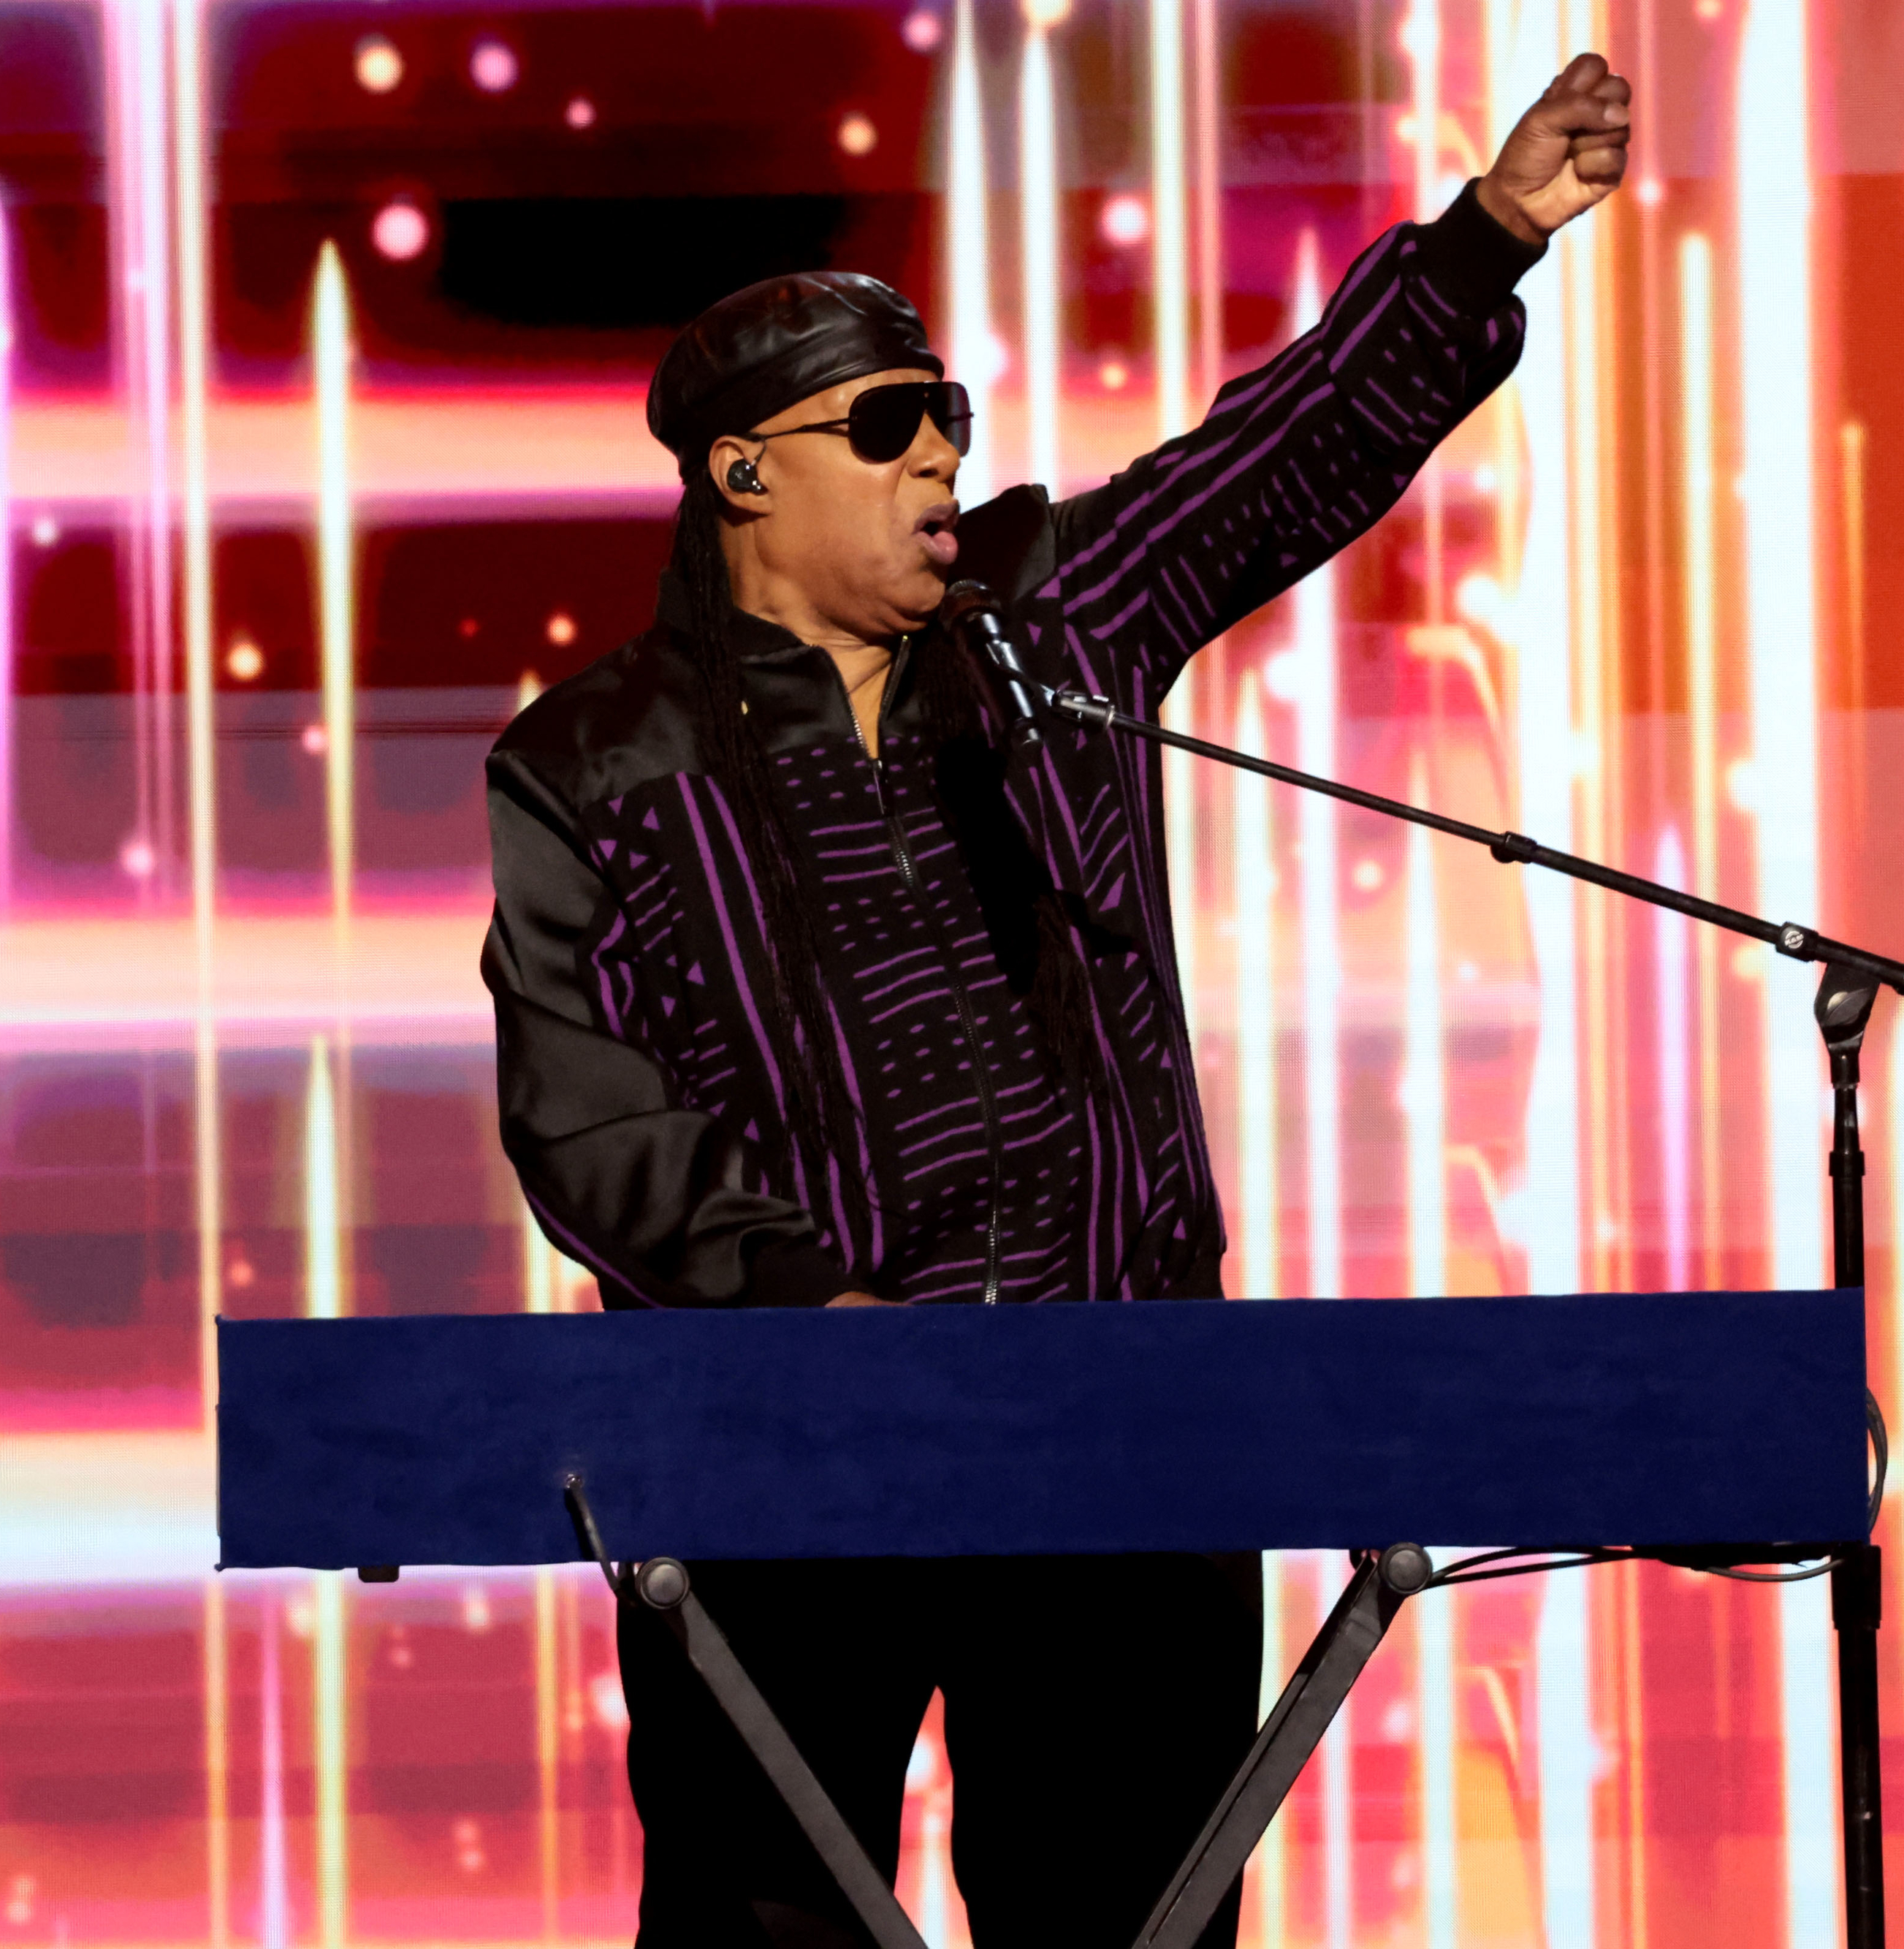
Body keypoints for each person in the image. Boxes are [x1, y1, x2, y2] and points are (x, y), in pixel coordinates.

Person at [479, 51, 1631, 1949]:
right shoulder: (593, 762)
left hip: (1124, 1423)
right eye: (887, 424)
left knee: (1132, 1915)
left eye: (948, 416)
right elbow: (593, 1124)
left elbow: (1270, 462)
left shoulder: (1052, 630)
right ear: (743, 469)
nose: (942, 454)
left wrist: (1486, 237)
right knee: (769, 1923)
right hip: (793, 1449)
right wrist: (812, 1319)